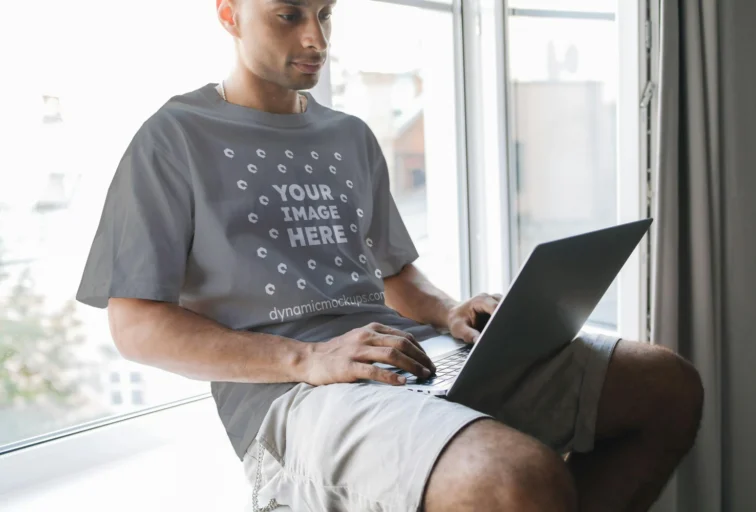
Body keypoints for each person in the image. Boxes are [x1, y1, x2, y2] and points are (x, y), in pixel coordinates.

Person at [75, 0, 704, 510]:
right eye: (289, 15)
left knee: (666, 387)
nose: (315, 37)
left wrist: (448, 312)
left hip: (405, 354)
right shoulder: (174, 138)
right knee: (518, 480)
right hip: (291, 395)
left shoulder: (348, 134)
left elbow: (395, 273)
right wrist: (310, 357)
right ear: (229, 13)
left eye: (326, 13)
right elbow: (136, 325)